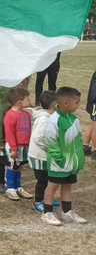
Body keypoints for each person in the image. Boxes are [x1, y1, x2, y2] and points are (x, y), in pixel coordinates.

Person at [41, 86, 87, 226]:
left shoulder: (74, 119)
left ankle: (67, 212)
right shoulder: (54, 120)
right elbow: (50, 140)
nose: (78, 105)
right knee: (53, 185)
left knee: (67, 185)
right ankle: (47, 212)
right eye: (77, 102)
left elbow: (78, 139)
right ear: (65, 103)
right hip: (59, 162)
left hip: (71, 162)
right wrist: (59, 159)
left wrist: (79, 158)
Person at [2, 87, 33, 201]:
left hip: (24, 146)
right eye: (27, 99)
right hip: (14, 146)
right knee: (12, 166)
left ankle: (18, 186)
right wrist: (14, 149)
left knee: (19, 167)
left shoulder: (26, 114)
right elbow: (9, 133)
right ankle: (10, 188)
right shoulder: (10, 115)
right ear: (20, 102)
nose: (29, 101)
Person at [29, 91, 58, 212]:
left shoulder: (50, 118)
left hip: (45, 155)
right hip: (39, 156)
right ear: (56, 106)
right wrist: (51, 147)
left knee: (48, 178)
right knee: (42, 180)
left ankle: (47, 198)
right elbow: (38, 137)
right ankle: (37, 202)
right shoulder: (44, 120)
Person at [84, 70, 96, 158]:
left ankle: (85, 146)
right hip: (95, 101)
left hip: (93, 101)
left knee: (92, 124)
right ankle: (95, 150)